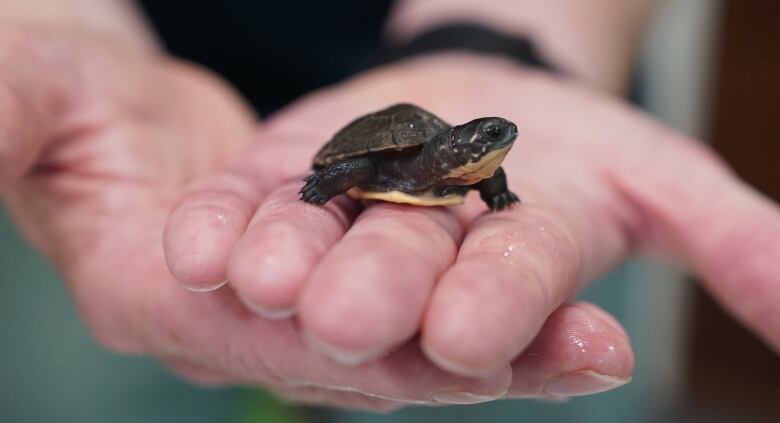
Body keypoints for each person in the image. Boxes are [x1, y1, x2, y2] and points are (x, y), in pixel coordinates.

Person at [1, 0, 778, 411]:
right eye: (490, 144)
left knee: (494, 365)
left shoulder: (464, 169)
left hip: (508, 45)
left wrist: (502, 47)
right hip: (154, 93)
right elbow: (360, 163)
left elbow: (480, 175)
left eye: (499, 145)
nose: (496, 150)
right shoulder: (403, 158)